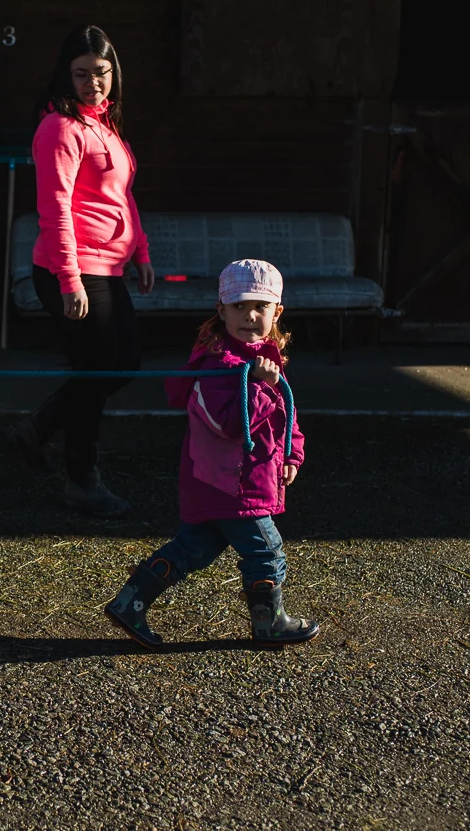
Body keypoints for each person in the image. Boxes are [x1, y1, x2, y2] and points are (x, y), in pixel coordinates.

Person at [104, 259, 320, 647]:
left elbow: (286, 413)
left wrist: (292, 454)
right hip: (230, 483)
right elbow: (228, 424)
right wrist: (259, 386)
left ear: (277, 312)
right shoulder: (219, 366)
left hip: (237, 479)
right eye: (239, 306)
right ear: (221, 310)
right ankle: (269, 624)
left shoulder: (262, 357)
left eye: (260, 306)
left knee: (195, 548)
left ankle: (130, 603)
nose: (250, 315)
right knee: (266, 550)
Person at [6, 24, 154, 518]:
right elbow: (55, 210)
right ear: (65, 76)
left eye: (102, 72)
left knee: (122, 364)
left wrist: (141, 253)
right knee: (97, 371)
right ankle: (81, 480)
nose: (94, 83)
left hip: (108, 268)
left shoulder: (105, 124)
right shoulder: (59, 128)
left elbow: (122, 196)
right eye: (82, 74)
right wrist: (70, 281)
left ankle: (37, 429)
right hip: (72, 269)